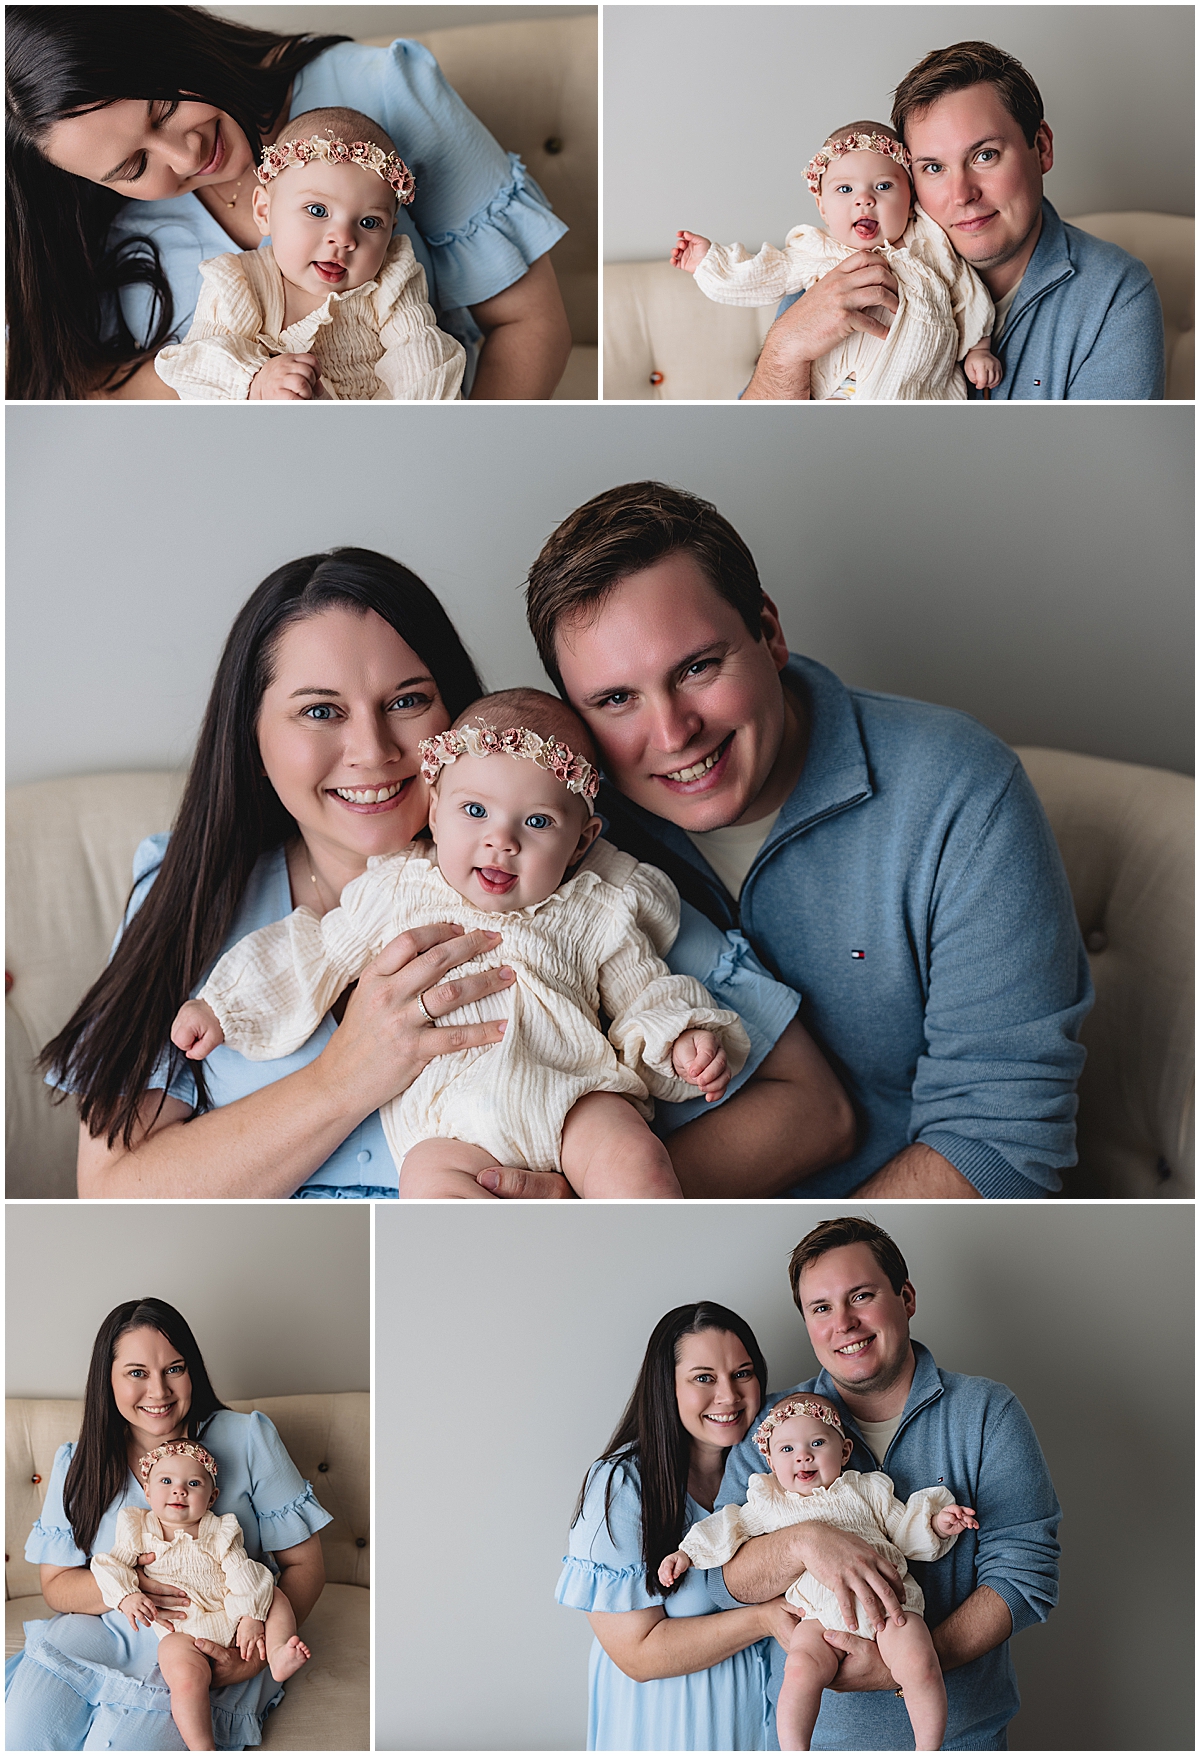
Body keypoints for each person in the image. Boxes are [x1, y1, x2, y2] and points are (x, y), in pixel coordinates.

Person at [40, 547, 852, 1198]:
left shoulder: (568, 867)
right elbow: (116, 1188)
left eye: (407, 700)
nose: (372, 750)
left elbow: (814, 1108)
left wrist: (582, 1190)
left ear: (456, 722)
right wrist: (342, 1080)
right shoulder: (191, 891)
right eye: (320, 711)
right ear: (252, 735)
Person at [524, 480, 1094, 1199]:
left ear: (769, 631)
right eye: (616, 700)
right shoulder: (564, 831)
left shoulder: (959, 792)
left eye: (697, 668)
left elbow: (1003, 1145)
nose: (671, 735)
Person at [173, 687, 750, 1199]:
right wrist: (225, 1006)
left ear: (581, 842)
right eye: (475, 811)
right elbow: (315, 953)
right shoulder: (398, 890)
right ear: (435, 807)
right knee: (429, 1194)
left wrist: (680, 1040)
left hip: (576, 1098)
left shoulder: (598, 908)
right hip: (447, 1125)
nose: (501, 841)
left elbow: (643, 989)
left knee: (638, 1165)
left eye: (539, 823)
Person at [5, 5, 572, 400]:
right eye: (132, 168)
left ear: (170, 45)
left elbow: (529, 322)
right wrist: (245, 382)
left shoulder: (380, 92)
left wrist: (450, 447)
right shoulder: (101, 230)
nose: (183, 156)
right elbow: (83, 388)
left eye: (164, 109)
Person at [702, 1218, 1060, 1750]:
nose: (843, 1323)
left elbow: (1025, 1576)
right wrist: (806, 1542)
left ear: (906, 1297)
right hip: (819, 1741)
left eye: (861, 1296)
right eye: (820, 1308)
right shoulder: (774, 1430)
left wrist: (906, 1663)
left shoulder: (986, 1413)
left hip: (962, 1738)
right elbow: (724, 1583)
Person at [743, 42, 1164, 401]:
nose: (962, 195)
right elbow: (755, 454)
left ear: (1041, 147)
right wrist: (784, 349)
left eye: (985, 156)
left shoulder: (1114, 294)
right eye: (933, 168)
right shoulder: (837, 264)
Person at [5, 1298, 331, 1751]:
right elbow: (56, 1584)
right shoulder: (80, 1463)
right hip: (100, 1632)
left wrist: (251, 1660)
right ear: (109, 1380)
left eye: (174, 1369)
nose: (158, 1391)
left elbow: (305, 1566)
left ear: (192, 1370)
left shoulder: (248, 1438)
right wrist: (132, 1585)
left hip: (203, 1643)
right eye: (137, 1372)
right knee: (22, 1734)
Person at [661, 1394, 978, 1751]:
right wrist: (687, 1552)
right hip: (817, 1618)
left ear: (844, 1451)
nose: (803, 1455)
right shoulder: (769, 1503)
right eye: (786, 1449)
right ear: (769, 1460)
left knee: (920, 1663)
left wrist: (936, 1523)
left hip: (891, 1608)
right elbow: (726, 1528)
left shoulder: (866, 1489)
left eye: (816, 1443)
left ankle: (928, 1747)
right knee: (798, 1671)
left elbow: (904, 1530)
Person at [556, 1302, 798, 1750]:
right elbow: (638, 1654)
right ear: (666, 1387)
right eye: (703, 1377)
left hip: (762, 1720)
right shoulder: (620, 1485)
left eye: (742, 1373)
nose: (728, 1395)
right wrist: (763, 1619)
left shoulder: (775, 1473)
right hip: (668, 1724)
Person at [673, 122, 999, 399]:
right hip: (842, 391)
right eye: (844, 189)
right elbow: (762, 273)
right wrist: (709, 262)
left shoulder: (932, 246)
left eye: (883, 186)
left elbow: (968, 294)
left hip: (924, 391)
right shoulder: (817, 251)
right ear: (822, 207)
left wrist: (979, 348)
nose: (864, 199)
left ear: (911, 196)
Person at [155, 109, 464, 401]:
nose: (343, 239)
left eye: (369, 223)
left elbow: (424, 359)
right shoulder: (239, 283)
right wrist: (256, 382)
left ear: (389, 233)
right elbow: (194, 366)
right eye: (317, 211)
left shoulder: (390, 280)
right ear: (264, 211)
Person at [92, 1441, 311, 1750]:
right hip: (184, 1630)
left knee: (274, 1594)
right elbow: (108, 1565)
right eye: (166, 1481)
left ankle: (276, 1655)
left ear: (212, 1497)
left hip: (232, 1614)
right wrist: (127, 1595)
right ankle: (202, 1747)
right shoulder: (137, 1528)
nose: (179, 1491)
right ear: (148, 1491)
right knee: (181, 1672)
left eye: (193, 1483)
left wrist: (251, 1616)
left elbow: (242, 1572)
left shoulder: (220, 1531)